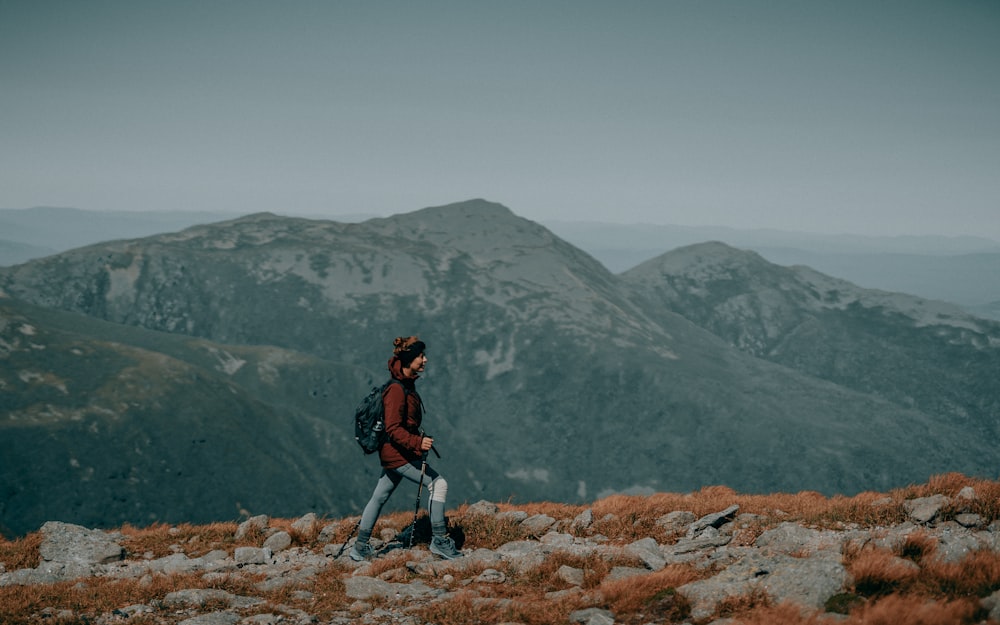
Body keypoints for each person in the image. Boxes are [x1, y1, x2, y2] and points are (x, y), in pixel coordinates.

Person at [350, 336, 462, 561]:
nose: (425, 360)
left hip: (396, 452)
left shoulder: (404, 385)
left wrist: (417, 438)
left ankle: (360, 547)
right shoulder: (397, 390)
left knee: (379, 496)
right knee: (438, 484)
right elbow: (392, 428)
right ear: (409, 360)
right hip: (397, 453)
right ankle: (439, 541)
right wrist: (417, 443)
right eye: (421, 356)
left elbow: (403, 424)